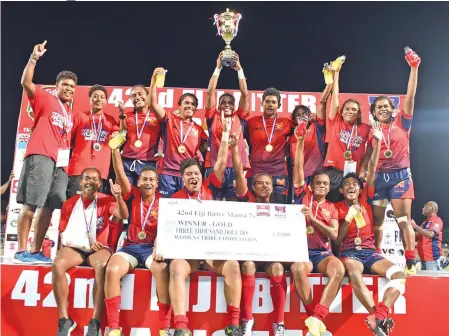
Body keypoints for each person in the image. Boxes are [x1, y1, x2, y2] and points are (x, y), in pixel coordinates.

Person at [168, 118, 242, 336]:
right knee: (176, 268)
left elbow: (220, 162)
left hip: (211, 254)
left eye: (196, 174)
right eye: (188, 175)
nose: (193, 177)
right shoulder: (175, 199)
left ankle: (234, 324)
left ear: (202, 176)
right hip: (188, 255)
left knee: (233, 266)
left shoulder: (209, 187)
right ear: (182, 179)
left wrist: (226, 133)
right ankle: (181, 327)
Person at [334, 122, 406, 336]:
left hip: (370, 252)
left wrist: (375, 143)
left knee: (400, 274)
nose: (351, 187)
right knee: (355, 274)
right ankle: (377, 317)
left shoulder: (365, 199)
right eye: (347, 185)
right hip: (349, 253)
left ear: (359, 189)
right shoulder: (336, 208)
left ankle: (380, 314)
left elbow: (372, 170)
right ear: (341, 190)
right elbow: (336, 241)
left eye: (354, 185)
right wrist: (348, 217)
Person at [15, 40, 77, 264]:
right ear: (57, 86)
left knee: (52, 205)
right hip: (40, 154)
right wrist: (34, 58)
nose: (69, 89)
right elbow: (26, 82)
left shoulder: (69, 113)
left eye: (72, 86)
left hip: (59, 163)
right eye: (65, 85)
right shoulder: (46, 97)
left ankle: (35, 250)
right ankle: (21, 250)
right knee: (31, 203)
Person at [104, 147, 171, 336]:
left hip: (151, 248)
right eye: (144, 179)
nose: (148, 182)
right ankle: (114, 328)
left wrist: (159, 247)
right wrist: (116, 150)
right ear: (139, 181)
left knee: (163, 271)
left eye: (152, 179)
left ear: (157, 184)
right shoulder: (132, 194)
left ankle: (165, 328)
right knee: (111, 270)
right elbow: (121, 175)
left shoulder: (164, 202)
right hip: (131, 248)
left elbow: (165, 230)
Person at [53, 168, 128, 336]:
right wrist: (86, 243)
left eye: (95, 179)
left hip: (99, 249)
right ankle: (64, 319)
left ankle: (95, 321)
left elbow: (123, 214)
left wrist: (118, 196)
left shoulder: (106, 201)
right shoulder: (70, 203)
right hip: (77, 248)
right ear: (80, 182)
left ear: (100, 184)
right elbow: (64, 235)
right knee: (58, 263)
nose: (91, 181)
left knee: (102, 265)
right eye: (87, 178)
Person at [370, 49, 421, 275]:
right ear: (374, 112)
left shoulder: (402, 122)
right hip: (379, 178)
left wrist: (414, 68)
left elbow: (410, 97)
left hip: (400, 176)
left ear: (393, 110)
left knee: (403, 220)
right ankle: (376, 256)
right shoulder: (370, 130)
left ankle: (411, 260)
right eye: (378, 107)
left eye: (386, 106)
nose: (383, 108)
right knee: (378, 223)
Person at [230, 133, 287, 336]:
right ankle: (247, 320)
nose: (264, 186)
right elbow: (238, 173)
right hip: (252, 255)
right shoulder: (247, 202)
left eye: (267, 184)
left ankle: (279, 323)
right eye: (260, 183)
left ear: (272, 188)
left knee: (279, 268)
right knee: (247, 265)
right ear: (253, 187)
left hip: (272, 257)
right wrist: (235, 149)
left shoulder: (281, 209)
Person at [291, 123, 345, 336]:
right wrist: (301, 142)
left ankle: (318, 316)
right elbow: (298, 170)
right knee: (296, 269)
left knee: (338, 269)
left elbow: (333, 234)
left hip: (323, 253)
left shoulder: (331, 208)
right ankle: (314, 318)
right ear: (311, 186)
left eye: (325, 184)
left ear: (329, 188)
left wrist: (313, 219)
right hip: (303, 253)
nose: (321, 186)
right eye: (317, 183)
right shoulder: (302, 196)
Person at [150, 68, 208, 198]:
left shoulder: (199, 129)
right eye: (186, 103)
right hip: (167, 173)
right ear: (179, 105)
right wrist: (153, 80)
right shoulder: (170, 119)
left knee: (185, 208)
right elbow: (153, 104)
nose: (190, 106)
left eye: (193, 104)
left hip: (186, 175)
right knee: (166, 207)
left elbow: (207, 148)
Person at [204, 52, 250, 200]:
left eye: (230, 102)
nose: (227, 105)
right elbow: (210, 93)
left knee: (235, 204)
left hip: (236, 168)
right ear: (218, 105)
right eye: (223, 102)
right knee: (212, 204)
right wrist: (218, 68)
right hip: (215, 166)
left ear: (235, 106)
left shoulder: (240, 117)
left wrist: (240, 69)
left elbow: (244, 94)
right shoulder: (213, 116)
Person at [324, 62, 371, 203]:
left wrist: (364, 169)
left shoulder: (365, 128)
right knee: (333, 206)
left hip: (354, 175)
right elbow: (335, 98)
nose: (350, 111)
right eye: (347, 109)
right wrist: (337, 73)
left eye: (354, 110)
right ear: (342, 112)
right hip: (334, 172)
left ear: (358, 114)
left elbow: (371, 149)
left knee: (352, 210)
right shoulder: (335, 122)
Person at [67, 85, 118, 198]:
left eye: (102, 97)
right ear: (89, 99)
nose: (98, 99)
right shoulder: (80, 116)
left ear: (106, 101)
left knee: (97, 210)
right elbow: (68, 139)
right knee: (75, 206)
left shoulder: (111, 121)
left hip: (101, 173)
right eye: (95, 96)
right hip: (79, 170)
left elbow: (118, 139)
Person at [245, 88, 294, 204]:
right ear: (262, 104)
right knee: (254, 210)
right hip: (256, 171)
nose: (270, 105)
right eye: (267, 102)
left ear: (279, 105)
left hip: (279, 171)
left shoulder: (286, 123)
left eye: (274, 102)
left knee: (279, 209)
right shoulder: (251, 122)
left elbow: (301, 134)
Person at [288, 83, 332, 200]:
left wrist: (330, 80)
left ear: (310, 115)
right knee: (302, 208)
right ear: (293, 120)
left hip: (319, 176)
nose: (302, 117)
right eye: (298, 115)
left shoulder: (318, 126)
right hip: (301, 179)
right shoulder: (292, 138)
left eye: (305, 114)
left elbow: (322, 101)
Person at [118, 85, 163, 185]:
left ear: (148, 96)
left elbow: (166, 135)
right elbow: (122, 136)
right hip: (127, 162)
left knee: (145, 196)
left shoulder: (157, 116)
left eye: (140, 94)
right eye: (133, 96)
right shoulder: (127, 116)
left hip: (148, 162)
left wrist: (160, 150)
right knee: (126, 195)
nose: (137, 97)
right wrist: (121, 115)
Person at [413, 201, 444, 271]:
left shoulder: (437, 220)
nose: (422, 209)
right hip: (423, 259)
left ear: (432, 209)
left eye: (425, 206)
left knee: (433, 281)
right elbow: (417, 236)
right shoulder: (424, 223)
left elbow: (430, 235)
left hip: (432, 259)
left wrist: (415, 226)